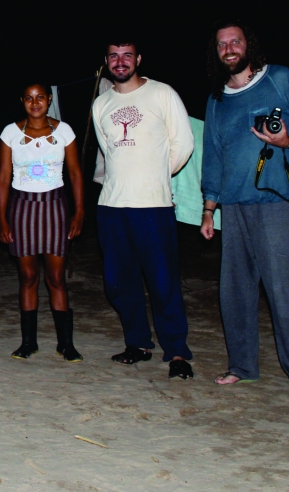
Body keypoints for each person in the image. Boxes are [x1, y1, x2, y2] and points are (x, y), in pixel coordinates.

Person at [199, 21, 289, 405]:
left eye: (235, 41)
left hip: (275, 202)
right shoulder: (217, 98)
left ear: (248, 45)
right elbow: (213, 157)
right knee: (234, 292)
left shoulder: (280, 79)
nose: (229, 48)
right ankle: (242, 366)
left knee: (285, 292)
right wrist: (209, 209)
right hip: (233, 207)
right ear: (217, 52)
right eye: (222, 44)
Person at [92, 41, 196, 380]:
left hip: (152, 205)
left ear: (138, 59)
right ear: (106, 62)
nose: (120, 62)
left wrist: (157, 176)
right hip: (111, 206)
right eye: (113, 56)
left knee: (163, 281)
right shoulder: (101, 104)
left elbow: (184, 143)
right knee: (119, 283)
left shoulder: (162, 94)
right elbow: (107, 150)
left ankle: (177, 351)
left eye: (126, 55)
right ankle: (138, 343)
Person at [0, 82, 86, 362]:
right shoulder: (10, 133)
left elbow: (74, 174)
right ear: (22, 100)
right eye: (29, 98)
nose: (35, 103)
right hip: (22, 208)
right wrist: (3, 219)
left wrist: (79, 212)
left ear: (49, 100)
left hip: (55, 207)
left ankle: (65, 344)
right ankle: (28, 343)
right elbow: (2, 178)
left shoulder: (64, 132)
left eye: (40, 98)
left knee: (56, 278)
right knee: (28, 277)